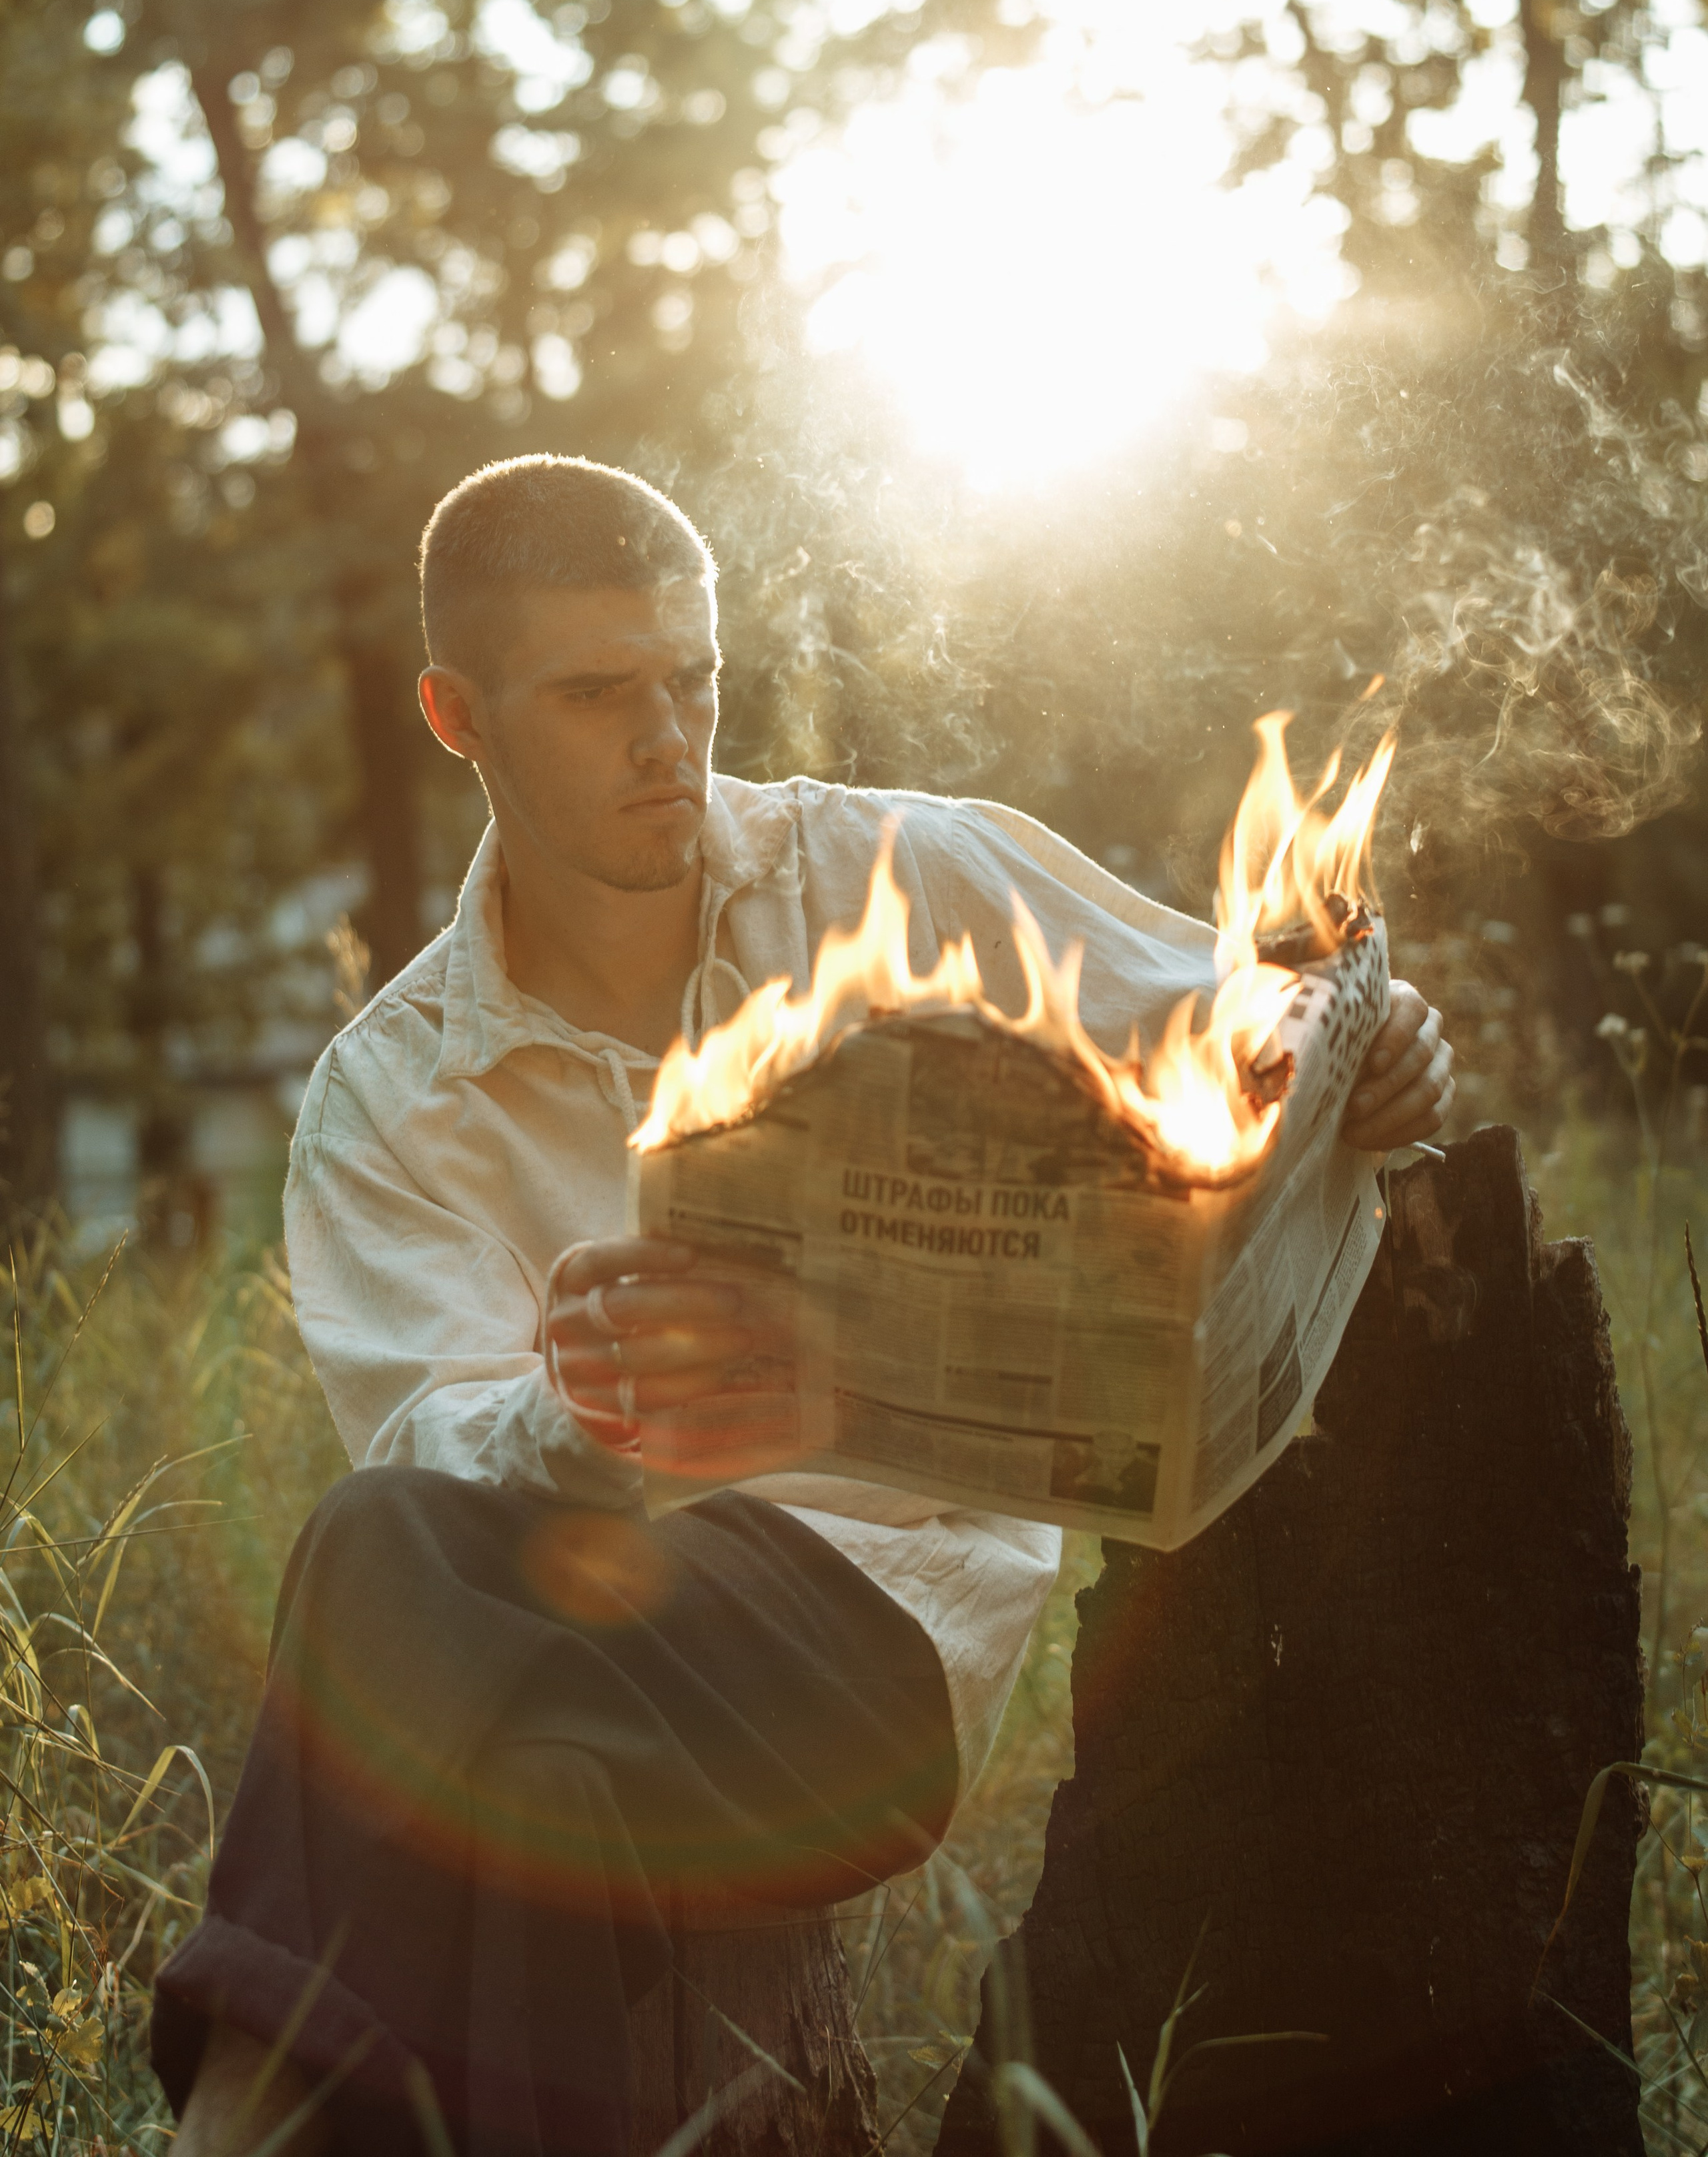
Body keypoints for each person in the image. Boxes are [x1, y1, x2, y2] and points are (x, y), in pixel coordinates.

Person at [156, 456, 1455, 2156]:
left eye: (691, 679)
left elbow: (1243, 1014)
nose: (666, 739)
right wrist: (600, 1404)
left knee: (368, 1555)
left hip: (868, 1664)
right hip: (585, 1651)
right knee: (517, 1769)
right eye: (596, 694)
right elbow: (420, 1444)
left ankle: (230, 2123)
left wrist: (1375, 1051)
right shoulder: (390, 1093)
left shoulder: (892, 876)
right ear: (454, 715)